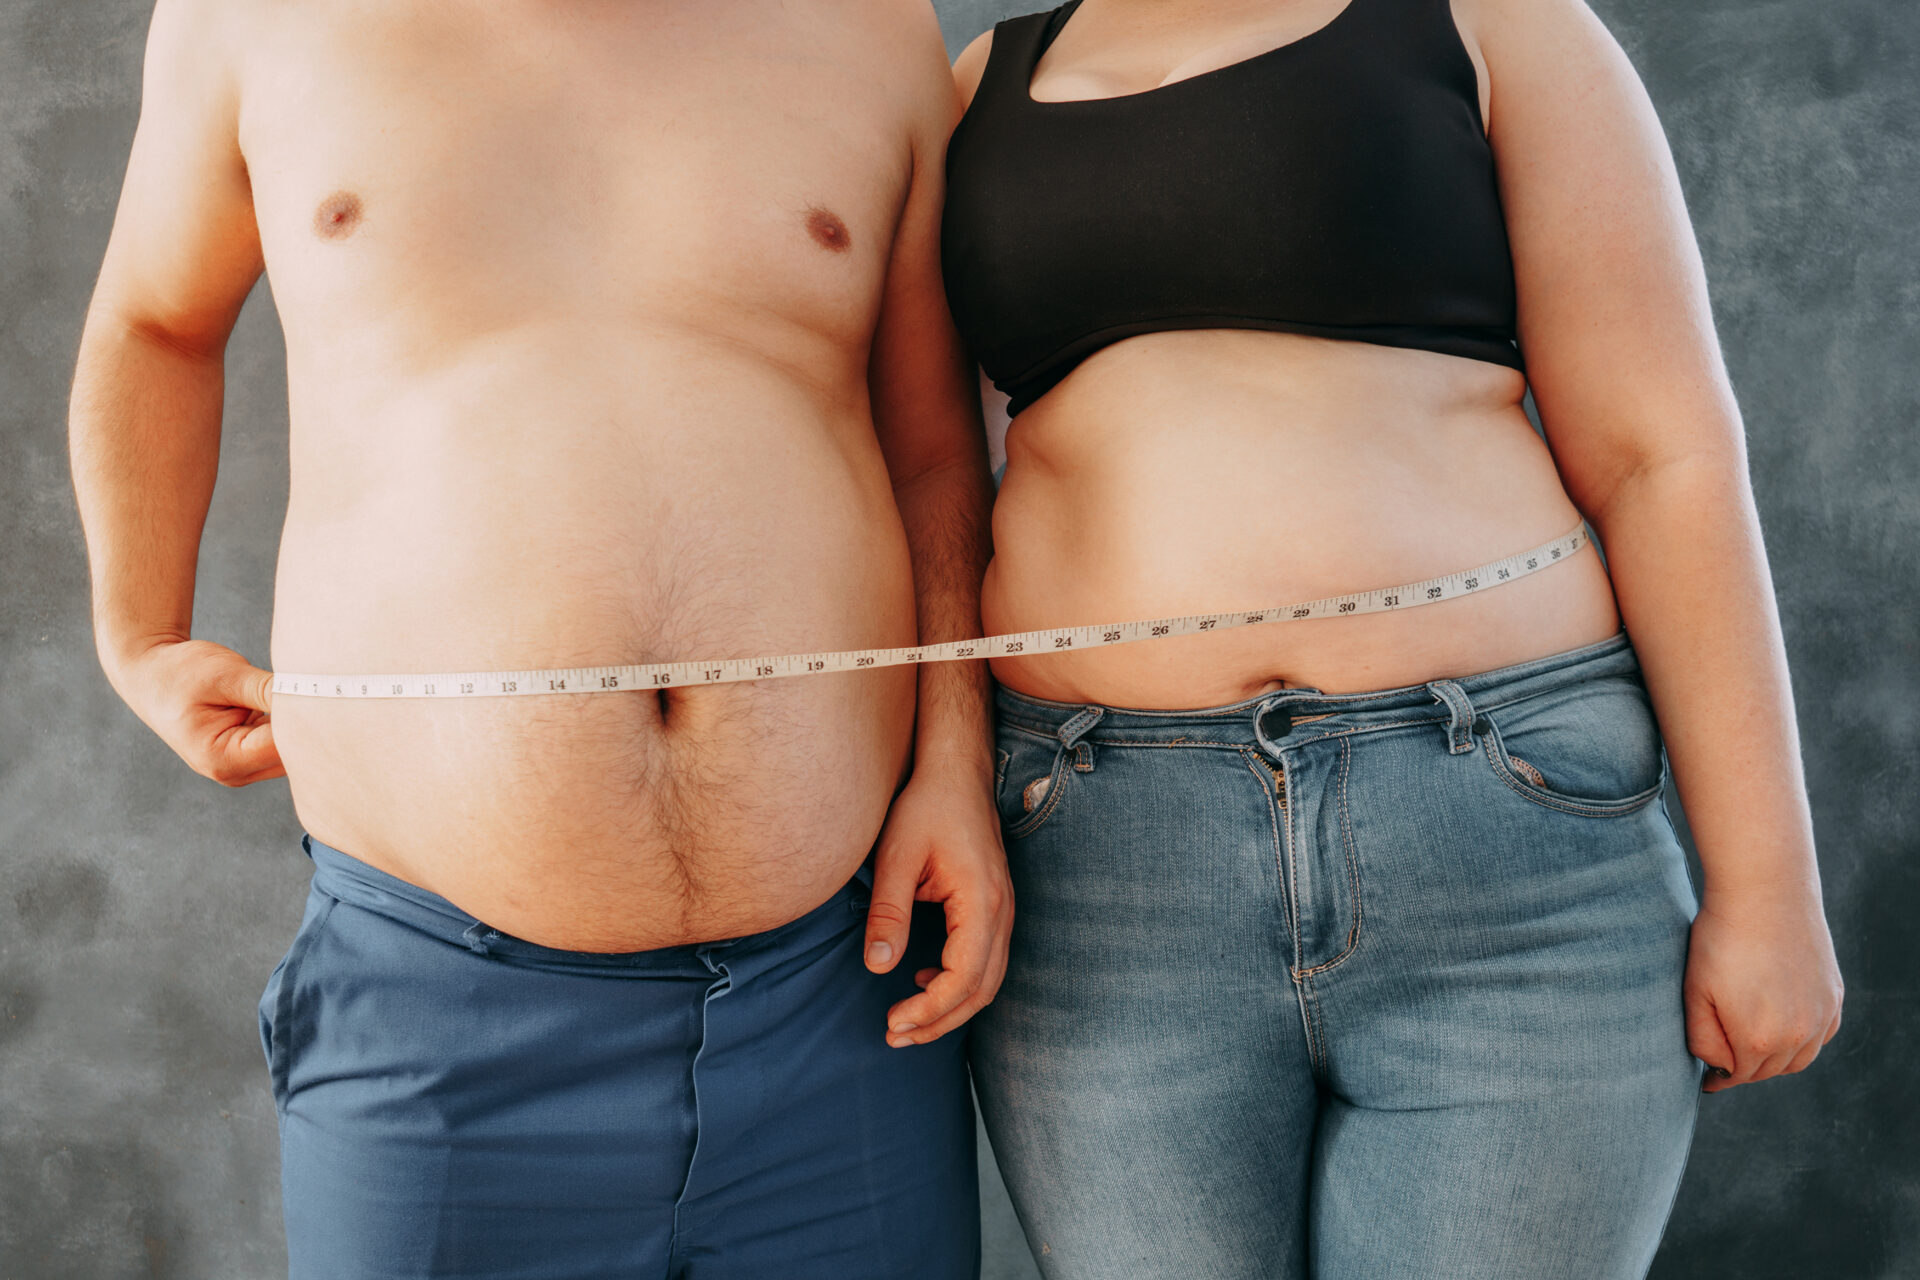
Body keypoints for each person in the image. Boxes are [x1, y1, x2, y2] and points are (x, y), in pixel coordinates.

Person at [68, 1, 1008, 1275]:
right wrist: (138, 633)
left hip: (841, 994)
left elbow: (936, 448)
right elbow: (154, 323)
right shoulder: (250, 19)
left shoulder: (870, 29)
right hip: (442, 1025)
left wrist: (954, 761)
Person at [940, 0, 1843, 1275]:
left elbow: (1664, 456)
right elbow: (933, 482)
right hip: (1101, 872)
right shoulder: (982, 83)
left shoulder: (1493, 23)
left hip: (1505, 843)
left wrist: (1769, 888)